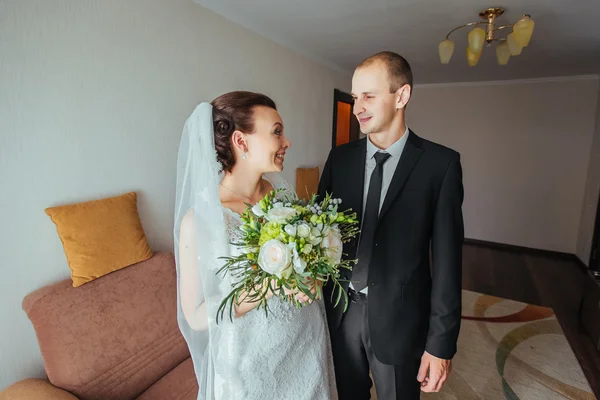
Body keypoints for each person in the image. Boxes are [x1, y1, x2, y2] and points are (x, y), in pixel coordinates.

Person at [318, 51, 464, 399]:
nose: (357, 108)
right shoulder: (340, 158)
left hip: (401, 319)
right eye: (355, 97)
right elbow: (320, 234)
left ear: (402, 96)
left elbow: (447, 263)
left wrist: (441, 344)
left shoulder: (440, 165)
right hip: (341, 310)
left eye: (369, 95)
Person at [174, 91, 338, 400]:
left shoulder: (281, 195)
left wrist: (313, 276)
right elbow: (195, 316)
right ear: (241, 141)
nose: (286, 141)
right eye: (277, 132)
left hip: (305, 342)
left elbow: (304, 260)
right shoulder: (200, 221)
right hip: (251, 363)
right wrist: (268, 288)